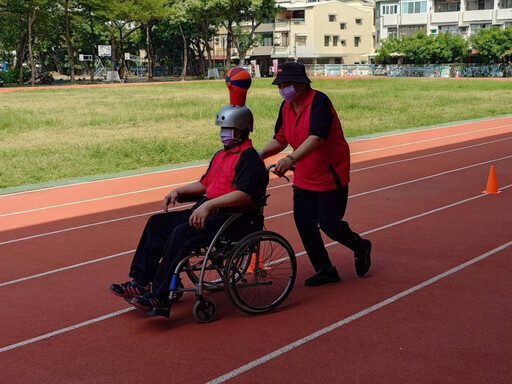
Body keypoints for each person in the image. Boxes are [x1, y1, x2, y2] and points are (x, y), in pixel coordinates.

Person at [110, 105, 269, 316]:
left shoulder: (250, 159)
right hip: (208, 211)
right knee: (156, 224)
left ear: (242, 130)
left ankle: (160, 295)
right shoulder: (222, 155)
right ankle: (141, 282)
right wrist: (178, 191)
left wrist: (209, 205)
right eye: (221, 128)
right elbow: (205, 185)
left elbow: (245, 195)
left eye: (228, 128)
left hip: (233, 219)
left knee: (182, 233)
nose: (223, 133)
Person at [259, 61, 371, 287]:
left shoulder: (319, 102)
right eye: (279, 85)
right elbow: (280, 138)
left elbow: (316, 138)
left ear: (300, 84)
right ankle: (325, 270)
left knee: (329, 224)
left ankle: (360, 246)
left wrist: (290, 159)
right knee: (304, 222)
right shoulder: (286, 107)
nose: (282, 89)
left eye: (285, 84)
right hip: (304, 174)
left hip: (330, 174)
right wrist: (258, 155)